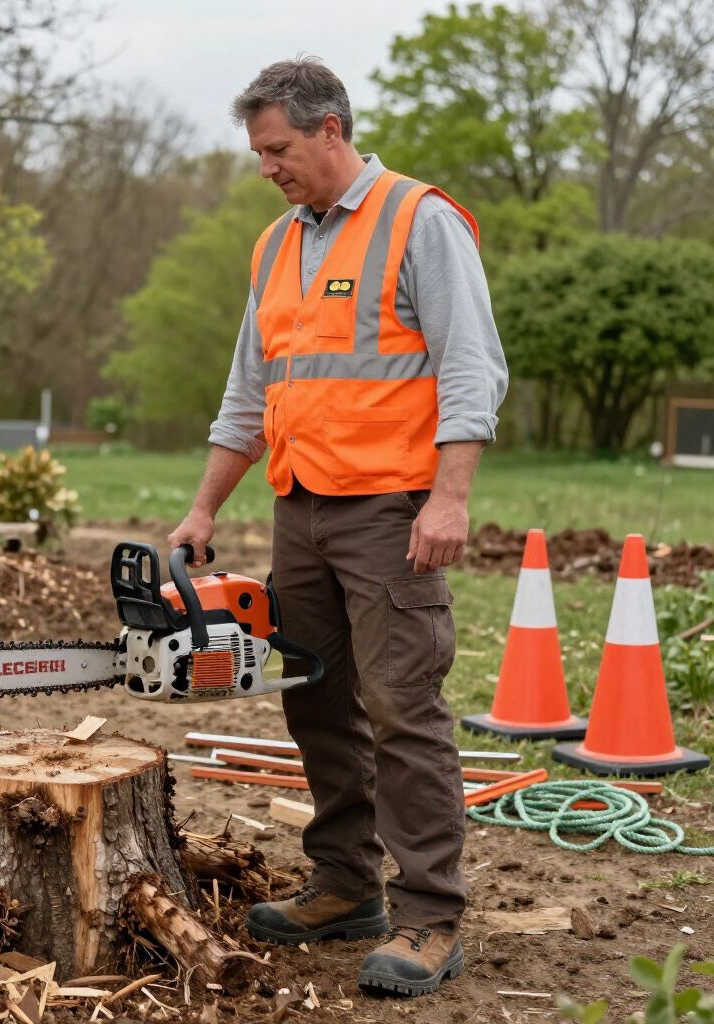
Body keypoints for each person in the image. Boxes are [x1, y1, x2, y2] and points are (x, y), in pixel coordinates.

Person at [168, 58, 508, 997]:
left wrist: (449, 497)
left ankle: (432, 915)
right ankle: (347, 884)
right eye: (257, 152)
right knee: (315, 699)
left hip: (392, 512)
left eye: (277, 149)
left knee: (403, 707)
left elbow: (473, 368)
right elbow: (251, 392)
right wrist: (205, 506)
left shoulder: (419, 219)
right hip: (301, 508)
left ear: (330, 130)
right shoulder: (277, 244)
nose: (266, 166)